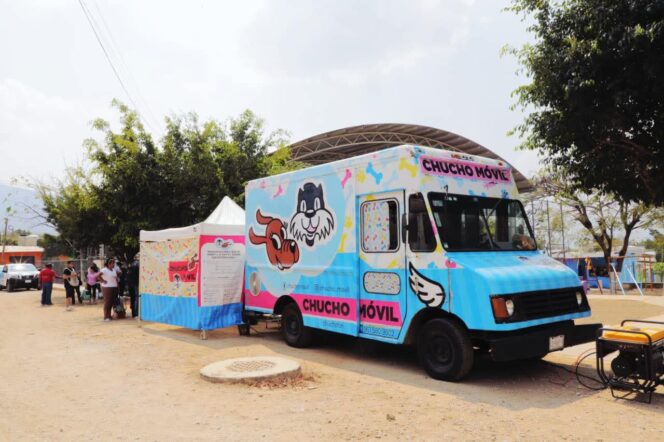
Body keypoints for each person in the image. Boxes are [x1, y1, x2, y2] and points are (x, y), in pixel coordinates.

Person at [126, 254, 140, 318]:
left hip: (130, 284)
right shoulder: (138, 265)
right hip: (136, 283)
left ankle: (134, 313)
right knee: (137, 298)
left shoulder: (130, 265)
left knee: (133, 298)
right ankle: (136, 313)